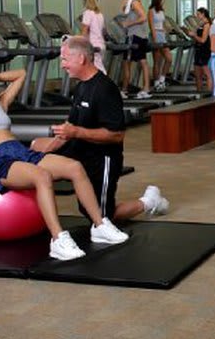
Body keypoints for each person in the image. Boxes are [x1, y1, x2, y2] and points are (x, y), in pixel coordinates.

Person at [0, 65, 129, 261]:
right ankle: (58, 239)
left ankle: (100, 225)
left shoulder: (1, 103)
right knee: (41, 176)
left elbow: (21, 74)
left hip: (21, 152)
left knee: (74, 167)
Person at [32, 36, 170, 220]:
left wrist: (76, 132)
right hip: (80, 149)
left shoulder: (105, 89)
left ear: (81, 58)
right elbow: (70, 127)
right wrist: (44, 151)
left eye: (65, 59)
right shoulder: (81, 87)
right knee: (35, 146)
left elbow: (117, 135)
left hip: (103, 158)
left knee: (101, 217)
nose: (62, 65)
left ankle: (148, 202)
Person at [119, 0, 151, 99]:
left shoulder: (134, 2)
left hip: (134, 36)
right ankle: (146, 88)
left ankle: (124, 90)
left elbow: (143, 17)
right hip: (141, 36)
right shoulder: (134, 1)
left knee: (126, 63)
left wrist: (128, 23)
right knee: (143, 62)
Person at [148, 0, 172, 92]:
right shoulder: (151, 11)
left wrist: (166, 31)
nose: (164, 2)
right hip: (155, 35)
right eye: (162, 0)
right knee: (157, 61)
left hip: (162, 35)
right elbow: (152, 26)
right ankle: (156, 83)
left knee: (168, 59)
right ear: (158, 0)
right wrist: (155, 40)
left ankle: (162, 79)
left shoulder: (161, 11)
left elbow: (162, 24)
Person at [80, 0, 107, 74]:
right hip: (101, 44)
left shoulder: (87, 13)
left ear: (85, 1)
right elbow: (102, 30)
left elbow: (84, 31)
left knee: (98, 68)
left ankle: (107, 85)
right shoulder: (99, 14)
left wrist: (80, 44)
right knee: (96, 68)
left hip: (93, 45)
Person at [188, 7, 213, 92]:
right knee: (197, 74)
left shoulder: (207, 25)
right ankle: (199, 91)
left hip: (204, 50)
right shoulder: (200, 24)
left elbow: (203, 40)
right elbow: (196, 35)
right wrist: (190, 34)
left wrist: (194, 35)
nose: (197, 16)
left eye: (198, 14)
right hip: (198, 49)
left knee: (207, 74)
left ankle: (210, 93)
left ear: (203, 14)